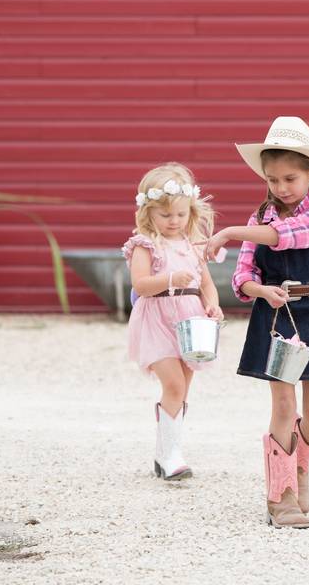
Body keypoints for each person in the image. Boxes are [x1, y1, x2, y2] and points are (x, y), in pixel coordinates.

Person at [203, 116, 309, 527]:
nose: (281, 188)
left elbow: (287, 235)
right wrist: (262, 291)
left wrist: (227, 233)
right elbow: (242, 277)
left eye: (290, 178)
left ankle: (302, 474)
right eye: (272, 179)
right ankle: (282, 495)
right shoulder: (258, 218)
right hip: (276, 317)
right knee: (284, 404)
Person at [122, 162, 223, 481]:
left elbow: (206, 283)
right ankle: (172, 457)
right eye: (166, 215)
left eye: (180, 214)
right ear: (148, 213)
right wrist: (169, 279)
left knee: (183, 388)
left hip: (190, 323)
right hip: (158, 320)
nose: (174, 221)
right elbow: (140, 284)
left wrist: (213, 305)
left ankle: (165, 452)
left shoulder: (192, 245)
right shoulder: (145, 245)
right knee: (174, 384)